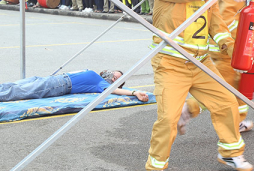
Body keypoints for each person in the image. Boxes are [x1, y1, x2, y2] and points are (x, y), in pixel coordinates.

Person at [146, 0, 252, 171]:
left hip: (201, 63)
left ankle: (230, 153)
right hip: (171, 64)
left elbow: (216, 22)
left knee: (227, 103)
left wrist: (228, 45)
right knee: (168, 118)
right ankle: (156, 164)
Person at [179, 0, 254, 136]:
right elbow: (225, 17)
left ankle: (238, 120)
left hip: (220, 47)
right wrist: (240, 42)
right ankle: (188, 110)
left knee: (235, 86)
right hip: (227, 50)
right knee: (221, 89)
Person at [0, 70, 148, 102]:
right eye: (113, 72)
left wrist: (134, 92)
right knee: (15, 85)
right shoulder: (98, 76)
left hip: (60, 84)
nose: (111, 74)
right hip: (57, 79)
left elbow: (113, 90)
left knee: (19, 91)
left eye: (115, 77)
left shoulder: (102, 83)